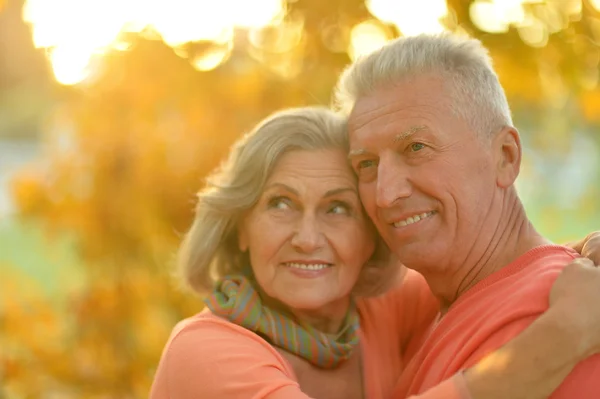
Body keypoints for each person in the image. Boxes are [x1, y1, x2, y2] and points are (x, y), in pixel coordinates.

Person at [150, 106, 600, 399]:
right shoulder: (204, 353)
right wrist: (561, 335)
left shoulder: (377, 312)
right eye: (280, 203)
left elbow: (491, 266)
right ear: (239, 227)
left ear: (371, 235)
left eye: (338, 208)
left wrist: (578, 251)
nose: (307, 238)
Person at [337, 33, 600, 398]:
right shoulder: (436, 306)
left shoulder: (560, 313)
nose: (385, 194)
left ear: (505, 157)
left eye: (416, 147)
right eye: (366, 164)